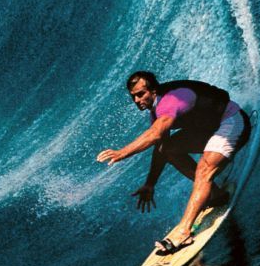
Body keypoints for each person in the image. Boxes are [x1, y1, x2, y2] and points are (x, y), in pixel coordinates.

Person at [97, 70, 251, 254]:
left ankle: (183, 232)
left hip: (231, 122)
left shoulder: (172, 100)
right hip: (209, 131)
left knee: (204, 169)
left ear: (154, 91)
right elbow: (161, 147)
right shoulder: (156, 111)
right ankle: (216, 195)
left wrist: (122, 153)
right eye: (134, 97)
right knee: (168, 149)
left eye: (141, 94)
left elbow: (155, 134)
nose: (137, 100)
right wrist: (150, 183)